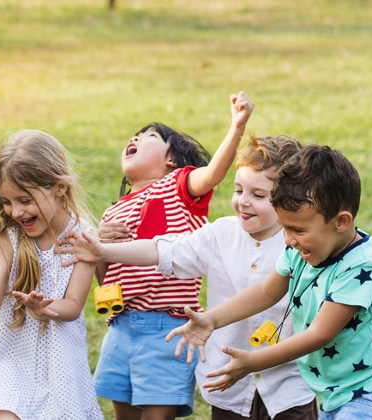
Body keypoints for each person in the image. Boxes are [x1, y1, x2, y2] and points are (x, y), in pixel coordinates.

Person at [58, 135, 316, 420]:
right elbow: (163, 250)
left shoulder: (301, 245)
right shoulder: (220, 234)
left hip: (287, 387)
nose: (243, 202)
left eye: (258, 195)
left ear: (288, 200)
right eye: (238, 189)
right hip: (229, 386)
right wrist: (104, 249)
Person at [166, 144, 372, 420]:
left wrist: (252, 362)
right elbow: (265, 292)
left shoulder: (360, 267)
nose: (287, 239)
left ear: (341, 221)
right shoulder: (298, 250)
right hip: (335, 390)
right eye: (284, 227)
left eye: (297, 229)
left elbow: (319, 334)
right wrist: (212, 319)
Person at [92, 92, 254, 419]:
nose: (134, 139)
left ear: (172, 162)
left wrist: (236, 127)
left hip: (168, 327)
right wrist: (98, 243)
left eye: (149, 137)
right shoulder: (113, 212)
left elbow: (212, 175)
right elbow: (104, 276)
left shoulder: (178, 188)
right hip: (120, 326)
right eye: (134, 136)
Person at [0, 130, 103, 420]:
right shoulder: (10, 236)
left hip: (61, 365)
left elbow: (73, 305)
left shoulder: (83, 239)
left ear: (58, 187)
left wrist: (46, 308)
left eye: (25, 200)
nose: (15, 211)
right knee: (6, 413)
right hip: (13, 357)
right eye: (5, 201)